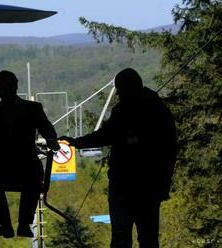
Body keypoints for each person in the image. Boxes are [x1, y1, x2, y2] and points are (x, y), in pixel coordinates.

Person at [60, 68, 177, 248]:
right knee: (147, 238)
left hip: (128, 186)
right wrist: (164, 183)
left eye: (120, 90)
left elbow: (105, 135)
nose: (119, 95)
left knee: (123, 237)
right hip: (148, 186)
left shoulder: (126, 111)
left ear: (128, 88)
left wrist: (77, 142)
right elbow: (169, 150)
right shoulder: (157, 110)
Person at [0, 70, 60, 238]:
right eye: (2, 87)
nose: (5, 90)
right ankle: (9, 223)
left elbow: (47, 128)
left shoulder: (31, 109)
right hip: (4, 164)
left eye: (7, 86)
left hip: (20, 162)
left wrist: (51, 138)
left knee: (31, 172)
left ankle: (20, 223)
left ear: (15, 86)